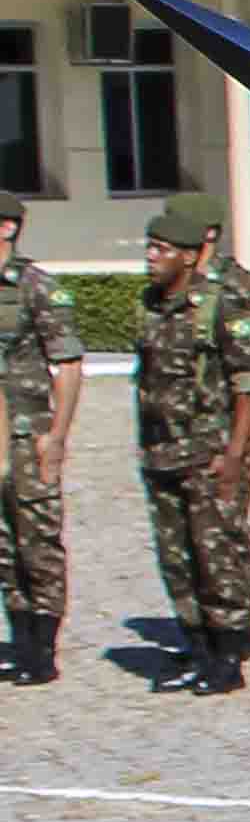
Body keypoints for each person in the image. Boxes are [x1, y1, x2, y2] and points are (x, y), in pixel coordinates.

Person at [129, 194, 250, 693]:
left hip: (206, 454)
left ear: (190, 255)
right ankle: (197, 646)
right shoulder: (148, 306)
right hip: (161, 452)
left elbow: (248, 382)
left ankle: (228, 654)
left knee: (216, 555)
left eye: (162, 249)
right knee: (176, 556)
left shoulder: (221, 307)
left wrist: (236, 451)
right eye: (150, 247)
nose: (152, 256)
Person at [0, 186, 72, 685]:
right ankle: (20, 636)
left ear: (7, 228)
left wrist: (58, 436)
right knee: (3, 546)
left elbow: (67, 365)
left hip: (29, 434)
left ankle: (43, 648)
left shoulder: (36, 288)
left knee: (37, 540)